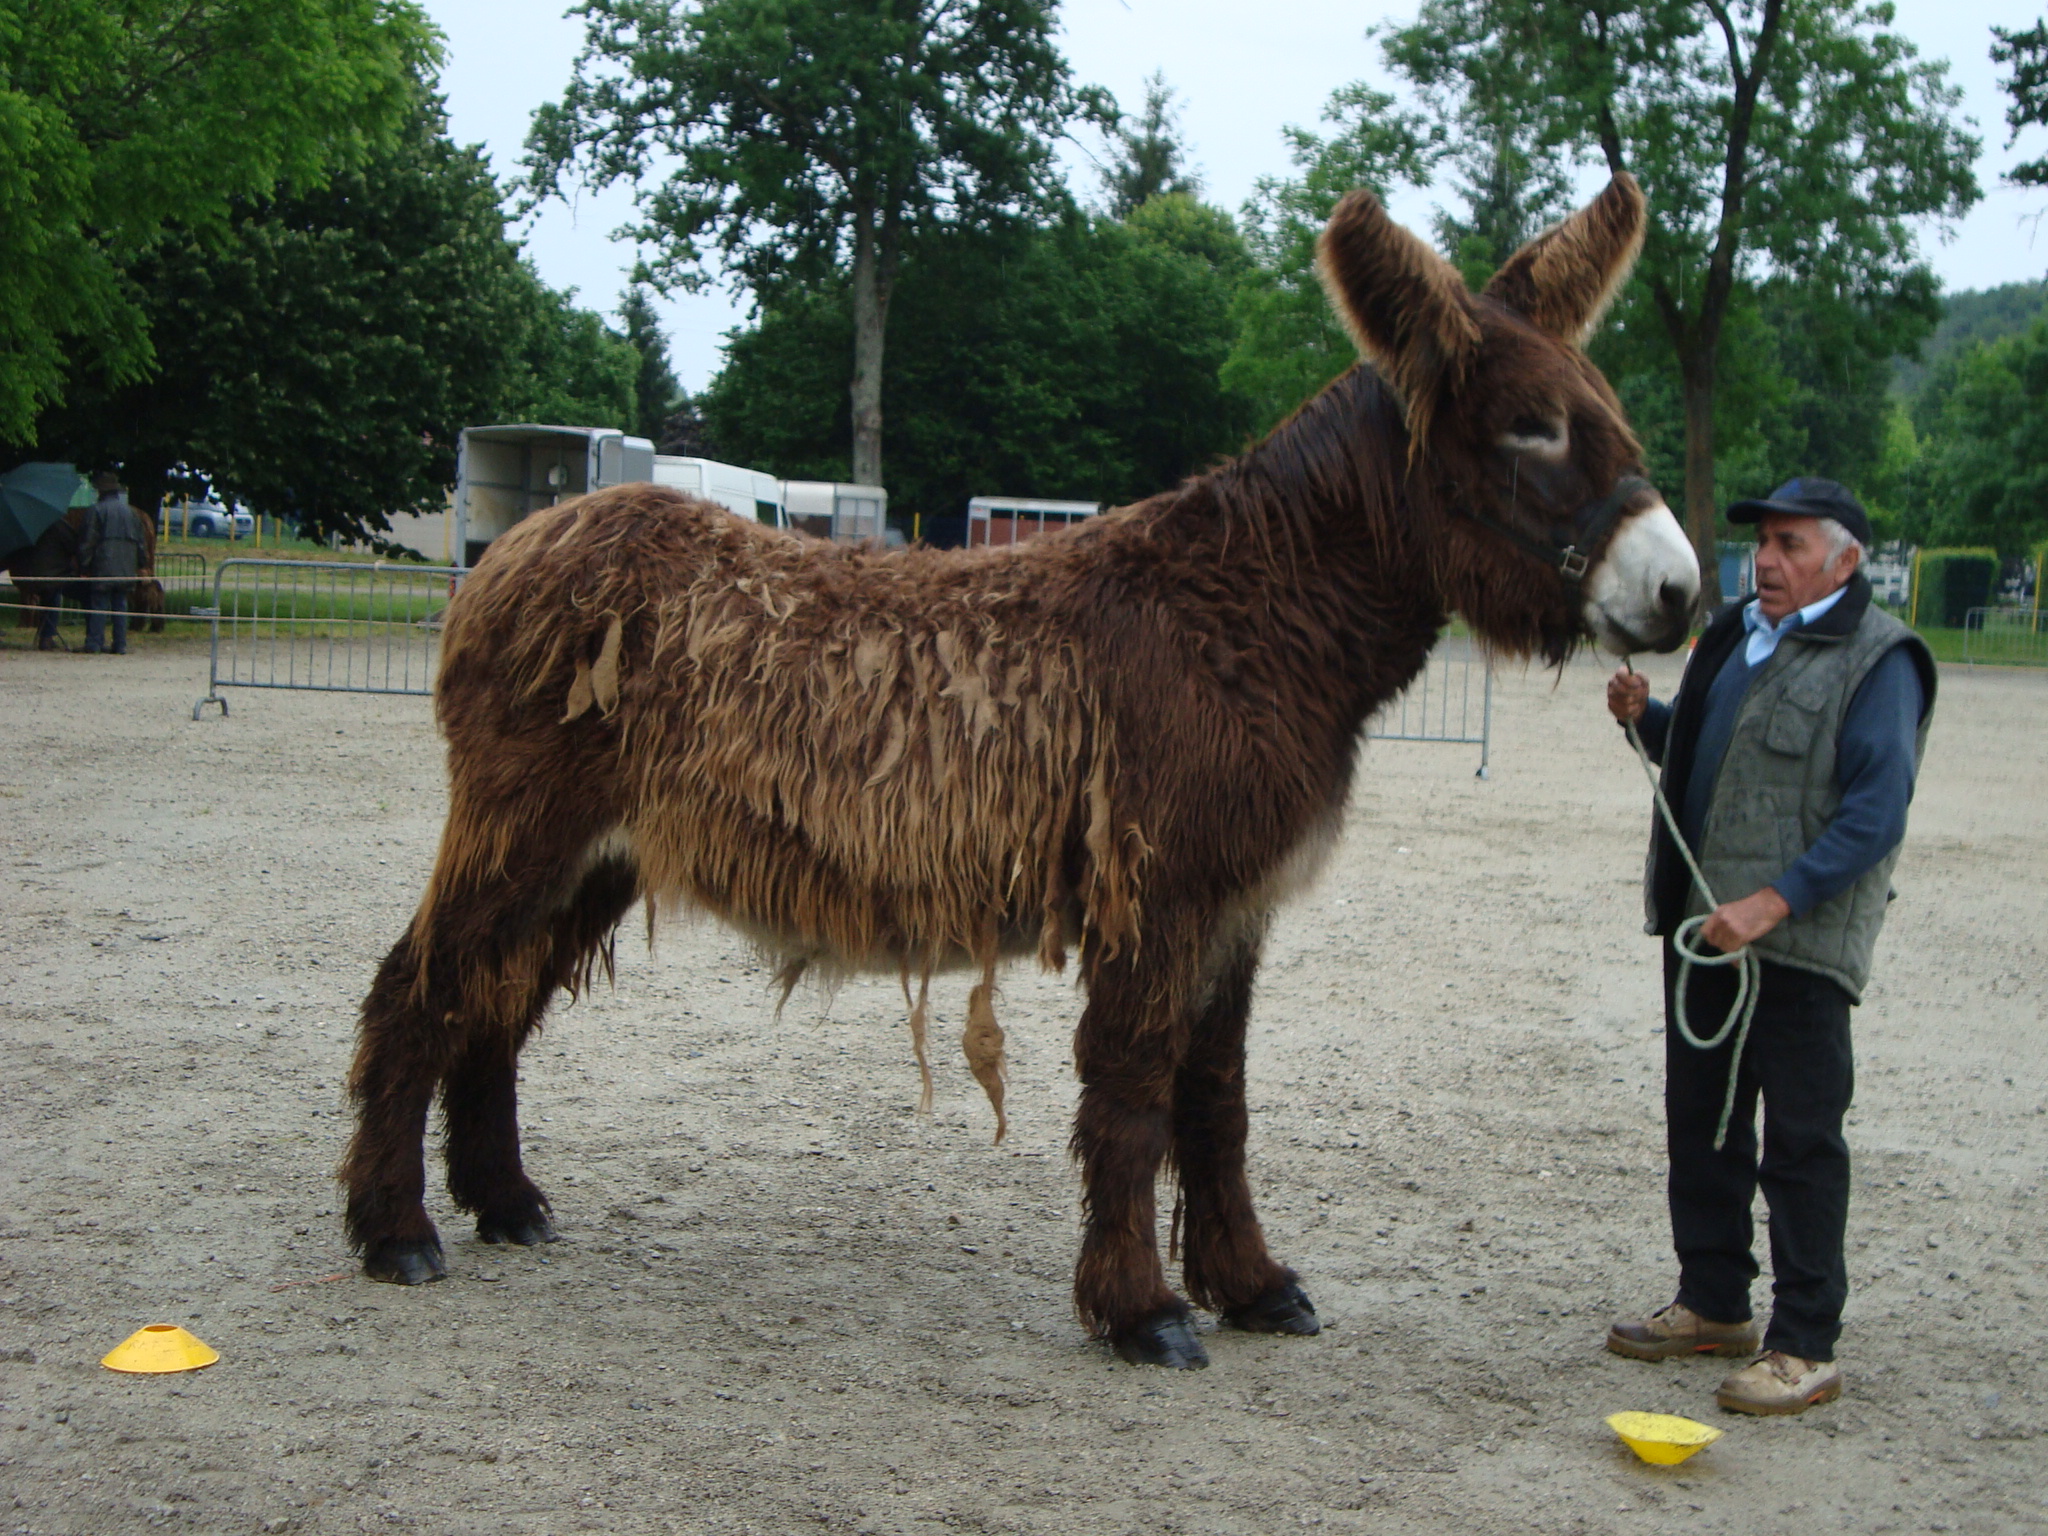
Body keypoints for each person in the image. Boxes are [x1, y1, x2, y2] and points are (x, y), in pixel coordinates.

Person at [1604, 477, 1936, 1416]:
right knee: (1701, 1123)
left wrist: (1774, 903)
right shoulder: (1734, 635)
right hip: (1707, 932)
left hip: (1796, 945)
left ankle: (1804, 1343)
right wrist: (1651, 718)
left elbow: (1878, 809)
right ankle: (1713, 1302)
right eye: (1765, 544)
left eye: (1791, 545)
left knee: (1799, 1141)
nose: (1769, 561)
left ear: (1845, 560)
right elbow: (1708, 749)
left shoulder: (1881, 661)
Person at [77, 471, 150, 654]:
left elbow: (88, 541)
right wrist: (142, 565)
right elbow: (141, 543)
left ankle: (94, 643)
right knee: (120, 605)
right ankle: (120, 644)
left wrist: (84, 566)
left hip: (103, 566)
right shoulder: (132, 513)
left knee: (99, 604)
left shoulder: (96, 511)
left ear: (101, 491)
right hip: (126, 568)